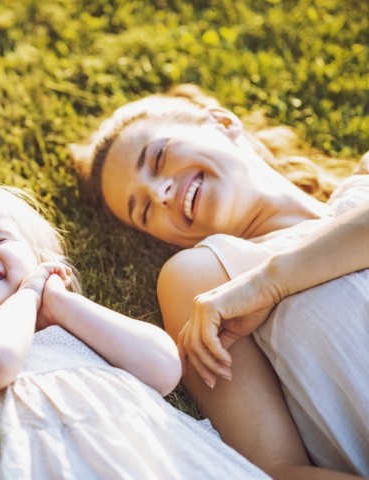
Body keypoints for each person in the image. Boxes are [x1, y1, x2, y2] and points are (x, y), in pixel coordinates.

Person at [73, 84, 369, 478]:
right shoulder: (207, 278)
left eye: (158, 157)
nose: (159, 192)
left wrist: (271, 283)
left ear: (223, 122)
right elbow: (276, 468)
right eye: (144, 210)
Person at [0, 183, 270, 479]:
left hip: (162, 461)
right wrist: (27, 294)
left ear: (41, 266)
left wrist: (59, 303)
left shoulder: (81, 332)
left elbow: (164, 366)